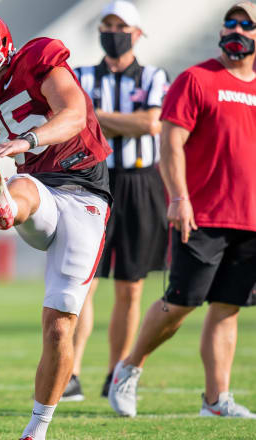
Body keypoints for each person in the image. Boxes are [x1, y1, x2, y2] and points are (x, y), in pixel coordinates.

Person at [0, 7, 111, 439]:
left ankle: (37, 429)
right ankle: (5, 206)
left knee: (59, 326)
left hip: (85, 190)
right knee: (22, 185)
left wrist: (27, 140)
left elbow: (73, 112)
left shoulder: (37, 59)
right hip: (37, 188)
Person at [109, 1, 256, 419]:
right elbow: (170, 144)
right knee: (180, 303)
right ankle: (129, 366)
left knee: (227, 308)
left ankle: (216, 401)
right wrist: (179, 196)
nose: (238, 30)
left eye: (248, 24)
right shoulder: (196, 79)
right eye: (231, 21)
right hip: (202, 214)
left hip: (251, 219)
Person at [63, 0, 169, 401]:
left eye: (120, 25)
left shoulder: (155, 76)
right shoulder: (82, 74)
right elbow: (76, 115)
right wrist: (108, 118)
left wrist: (93, 115)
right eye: (106, 24)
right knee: (83, 282)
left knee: (131, 287)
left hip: (142, 184)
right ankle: (69, 372)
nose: (113, 31)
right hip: (94, 181)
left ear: (137, 32)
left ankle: (116, 373)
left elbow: (150, 123)